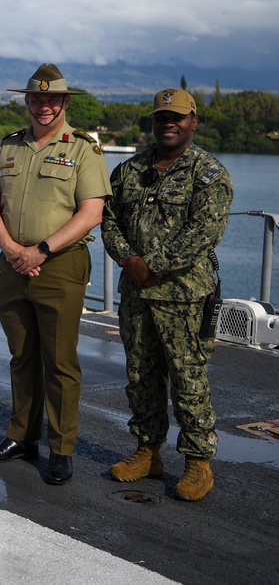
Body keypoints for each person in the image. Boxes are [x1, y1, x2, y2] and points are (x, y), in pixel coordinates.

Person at [0, 63, 110, 485]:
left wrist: (41, 249)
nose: (45, 106)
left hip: (59, 266)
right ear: (27, 101)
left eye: (53, 99)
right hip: (15, 266)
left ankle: (61, 449)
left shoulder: (83, 149)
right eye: (37, 98)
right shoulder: (10, 147)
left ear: (65, 102)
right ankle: (21, 436)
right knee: (22, 356)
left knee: (60, 362)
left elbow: (92, 213)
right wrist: (14, 250)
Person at [101, 88, 232, 501]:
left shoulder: (209, 174)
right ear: (153, 123)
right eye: (162, 118)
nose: (169, 124)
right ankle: (148, 451)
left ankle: (197, 462)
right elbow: (107, 219)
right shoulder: (128, 170)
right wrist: (128, 259)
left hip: (185, 297)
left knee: (188, 377)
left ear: (193, 122)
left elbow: (205, 232)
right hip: (137, 294)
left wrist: (151, 264)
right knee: (140, 376)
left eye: (177, 117)